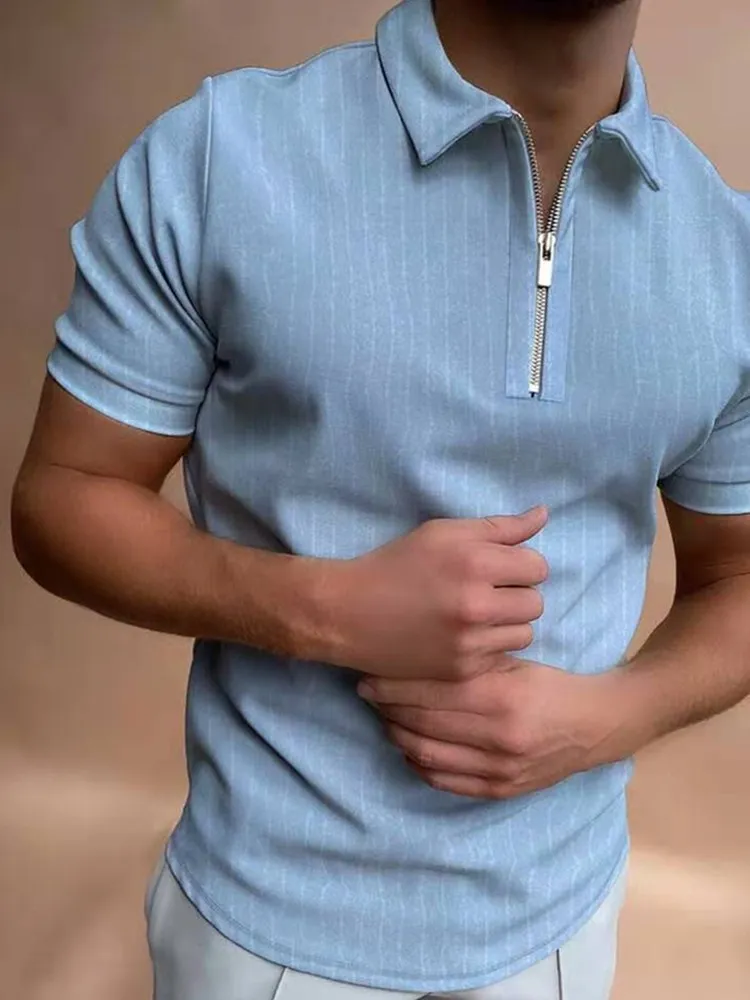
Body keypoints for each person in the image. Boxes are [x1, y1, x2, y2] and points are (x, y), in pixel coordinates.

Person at [10, 0, 750, 996]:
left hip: (562, 930)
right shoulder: (220, 158)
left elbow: (738, 578)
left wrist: (611, 717)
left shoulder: (726, 253)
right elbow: (64, 495)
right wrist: (328, 610)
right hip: (265, 930)